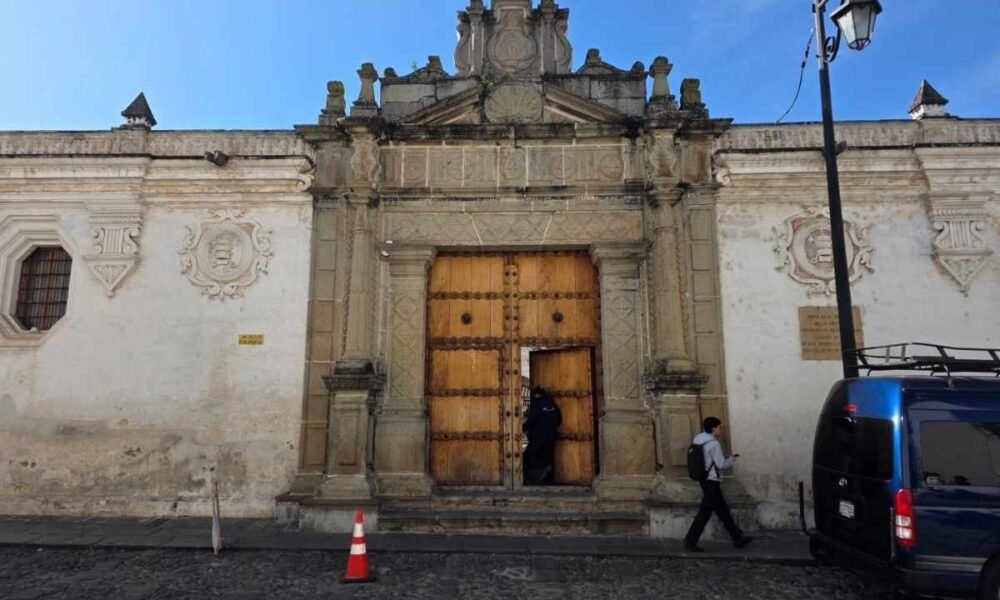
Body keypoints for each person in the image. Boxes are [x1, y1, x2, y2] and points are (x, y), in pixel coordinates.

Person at [684, 416, 753, 552]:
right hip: (712, 481)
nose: (721, 430)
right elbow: (721, 464)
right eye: (720, 427)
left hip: (704, 479)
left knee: (723, 511)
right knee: (705, 512)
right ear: (714, 428)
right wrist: (732, 459)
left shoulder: (698, 439)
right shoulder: (714, 444)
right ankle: (690, 540)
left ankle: (737, 537)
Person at [522, 386, 562, 485]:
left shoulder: (536, 404)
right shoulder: (551, 403)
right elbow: (559, 419)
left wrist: (522, 428)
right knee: (548, 458)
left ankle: (529, 480)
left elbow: (531, 421)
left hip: (538, 437)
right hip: (551, 436)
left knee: (528, 456)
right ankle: (548, 480)